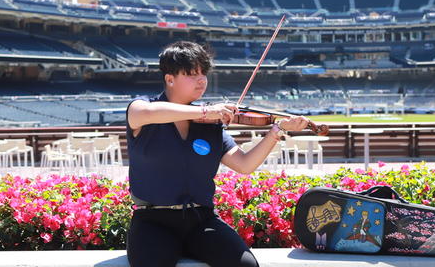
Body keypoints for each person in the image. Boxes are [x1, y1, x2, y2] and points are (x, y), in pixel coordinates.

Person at [125, 41, 312, 267]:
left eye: (203, 73)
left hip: (200, 220)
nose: (201, 79)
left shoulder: (210, 124)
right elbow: (144, 112)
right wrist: (205, 110)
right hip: (153, 222)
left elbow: (244, 164)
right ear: (170, 78)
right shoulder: (143, 109)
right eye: (192, 74)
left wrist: (276, 131)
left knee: (246, 265)